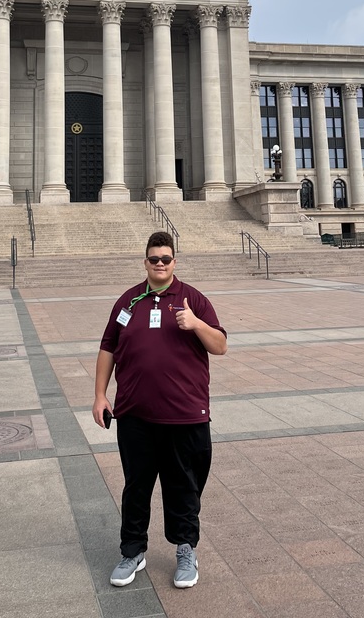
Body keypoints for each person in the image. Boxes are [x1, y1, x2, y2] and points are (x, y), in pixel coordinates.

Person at [92, 230, 227, 589]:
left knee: (184, 486)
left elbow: (220, 345)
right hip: (135, 414)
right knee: (136, 486)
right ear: (145, 262)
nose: (160, 264)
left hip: (184, 414)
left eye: (166, 259)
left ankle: (186, 549)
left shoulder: (193, 299)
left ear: (174, 262)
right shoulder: (128, 302)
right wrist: (100, 395)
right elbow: (108, 348)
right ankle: (132, 551)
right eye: (154, 259)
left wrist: (196, 324)